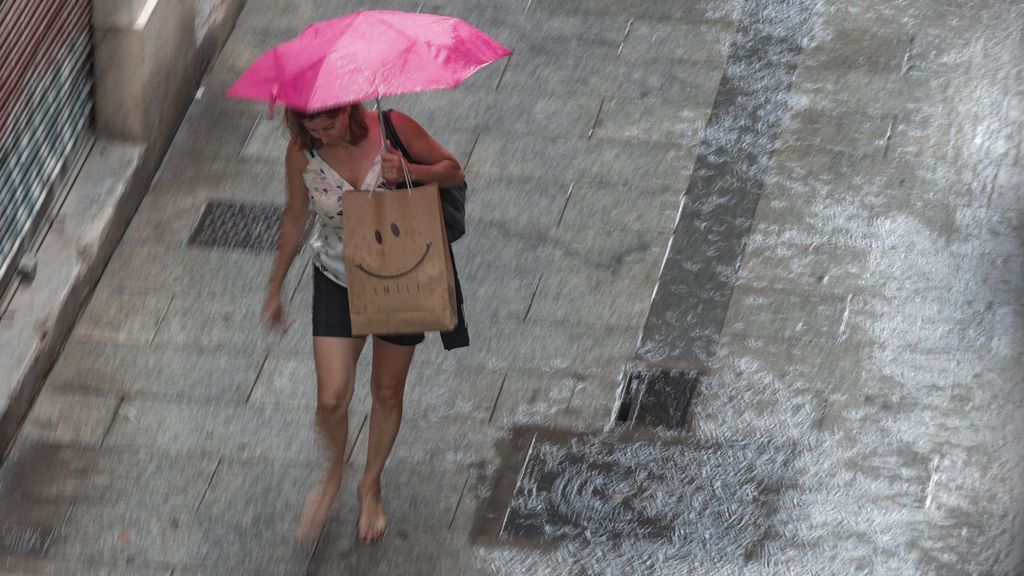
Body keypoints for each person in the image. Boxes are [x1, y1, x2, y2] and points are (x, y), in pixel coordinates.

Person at [260, 102, 465, 545]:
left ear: (349, 109)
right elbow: (295, 216)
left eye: (329, 123)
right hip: (337, 279)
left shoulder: (395, 128)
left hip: (402, 277)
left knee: (387, 391)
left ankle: (370, 482)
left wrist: (409, 169)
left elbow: (453, 171)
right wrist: (274, 286)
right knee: (332, 398)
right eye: (311, 126)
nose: (324, 135)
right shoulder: (301, 153)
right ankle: (335, 469)